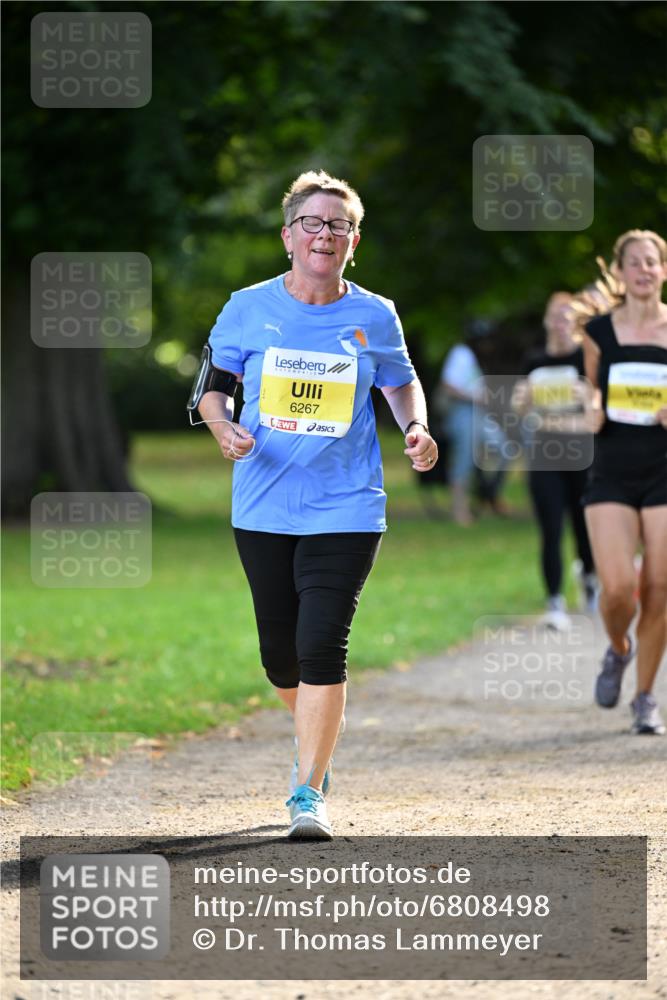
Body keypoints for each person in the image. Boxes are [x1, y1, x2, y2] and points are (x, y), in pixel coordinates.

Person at [192, 170, 438, 837]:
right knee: (281, 656)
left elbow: (400, 383)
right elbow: (210, 390)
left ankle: (306, 793)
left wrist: (414, 427)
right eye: (312, 223)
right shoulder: (246, 306)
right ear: (287, 236)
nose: (323, 234)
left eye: (337, 225)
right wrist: (223, 426)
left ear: (352, 242)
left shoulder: (373, 314)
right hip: (264, 503)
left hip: (347, 505)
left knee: (321, 642)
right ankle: (316, 751)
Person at [579, 230, 667, 735]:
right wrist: (590, 407)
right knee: (618, 591)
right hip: (612, 467)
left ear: (662, 270)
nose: (643, 269)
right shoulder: (597, 331)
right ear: (620, 272)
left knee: (659, 587)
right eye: (633, 262)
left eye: (651, 261)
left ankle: (647, 698)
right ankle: (619, 649)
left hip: (663, 469)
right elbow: (591, 392)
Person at [511, 292, 597, 631]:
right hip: (545, 453)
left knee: (583, 525)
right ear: (547, 320)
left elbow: (597, 413)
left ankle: (590, 579)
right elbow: (520, 410)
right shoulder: (534, 362)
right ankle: (555, 601)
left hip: (582, 455)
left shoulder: (586, 359)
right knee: (550, 527)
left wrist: (586, 396)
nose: (560, 322)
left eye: (568, 316)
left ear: (576, 324)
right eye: (555, 315)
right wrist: (524, 400)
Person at [440, 320, 509, 525]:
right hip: (463, 413)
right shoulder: (461, 354)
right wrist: (474, 397)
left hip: (479, 413)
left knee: (505, 449)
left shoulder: (475, 358)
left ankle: (489, 494)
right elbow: (448, 386)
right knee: (464, 460)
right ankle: (459, 510)